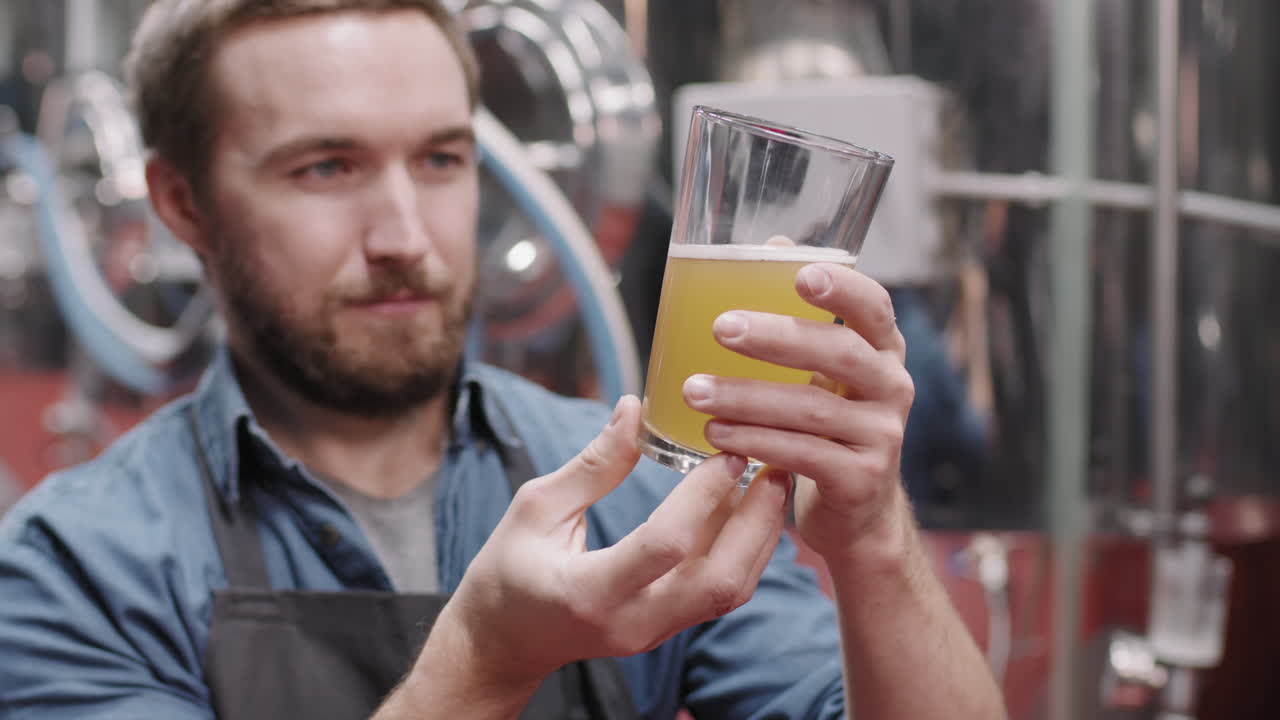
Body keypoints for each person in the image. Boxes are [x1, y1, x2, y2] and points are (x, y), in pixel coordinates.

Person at [0, 2, 1006, 718]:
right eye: (326, 167)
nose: (405, 233)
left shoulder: (638, 486)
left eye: (440, 159)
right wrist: (483, 664)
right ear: (181, 204)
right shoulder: (77, 567)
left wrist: (871, 541)